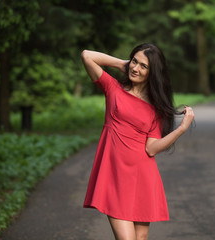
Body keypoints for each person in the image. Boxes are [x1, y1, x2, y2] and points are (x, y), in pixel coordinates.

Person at [81, 43, 195, 240]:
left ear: (153, 73)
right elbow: (87, 56)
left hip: (141, 178)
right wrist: (122, 64)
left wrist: (182, 129)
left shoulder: (155, 108)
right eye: (135, 61)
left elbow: (151, 149)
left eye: (144, 66)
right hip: (114, 175)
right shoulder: (113, 88)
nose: (136, 68)